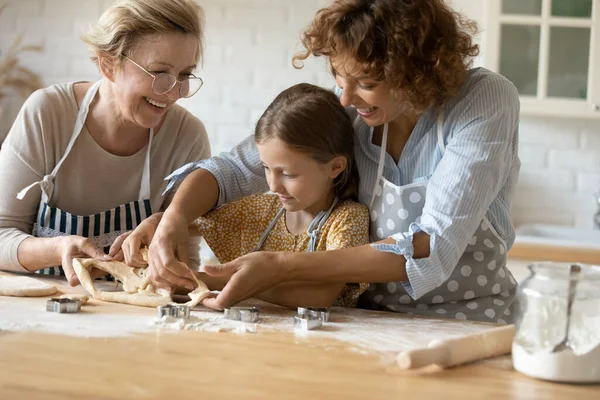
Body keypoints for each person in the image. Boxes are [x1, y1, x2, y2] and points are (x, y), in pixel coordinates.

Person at [124, 0, 521, 323]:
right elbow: (233, 170)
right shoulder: (351, 107)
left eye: (366, 83)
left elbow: (430, 244)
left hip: (470, 323)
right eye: (338, 75)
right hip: (371, 322)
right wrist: (174, 218)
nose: (345, 99)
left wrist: (283, 266)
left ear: (417, 72)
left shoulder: (482, 99)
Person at [0, 0, 210, 286]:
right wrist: (56, 249)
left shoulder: (187, 137)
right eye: (160, 73)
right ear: (108, 64)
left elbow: (187, 261)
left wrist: (167, 266)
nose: (174, 93)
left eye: (185, 75)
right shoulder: (48, 114)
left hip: (135, 320)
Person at [180, 83, 369, 308]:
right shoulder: (262, 209)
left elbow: (320, 295)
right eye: (266, 168)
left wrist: (209, 281)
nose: (273, 185)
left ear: (335, 167)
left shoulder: (347, 219)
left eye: (287, 174)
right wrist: (160, 224)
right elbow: (194, 223)